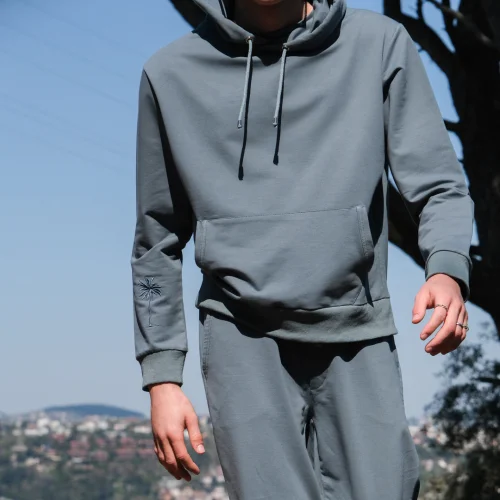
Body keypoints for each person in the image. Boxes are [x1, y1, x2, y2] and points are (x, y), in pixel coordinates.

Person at [130, 0, 474, 498]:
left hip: (357, 329)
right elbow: (155, 239)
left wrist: (446, 268)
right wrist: (162, 375)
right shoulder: (169, 73)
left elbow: (438, 184)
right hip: (240, 342)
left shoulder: (378, 44)